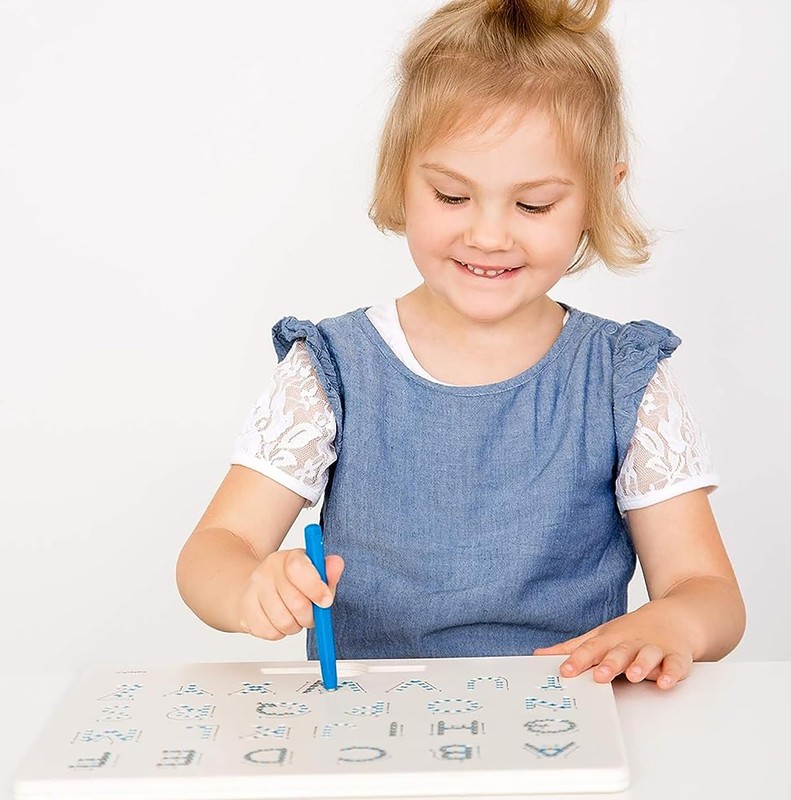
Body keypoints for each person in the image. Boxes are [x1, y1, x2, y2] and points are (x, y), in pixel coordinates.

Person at [176, 0, 745, 691]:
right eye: (451, 196)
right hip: (374, 726)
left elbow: (707, 592)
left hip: (570, 718)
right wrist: (249, 588)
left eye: (533, 205)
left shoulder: (622, 378)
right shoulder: (332, 370)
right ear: (400, 175)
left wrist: (673, 623)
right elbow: (215, 550)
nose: (489, 235)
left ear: (598, 194)